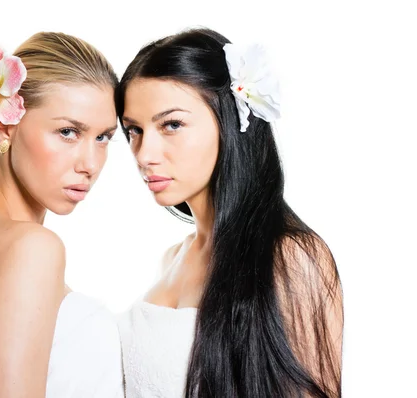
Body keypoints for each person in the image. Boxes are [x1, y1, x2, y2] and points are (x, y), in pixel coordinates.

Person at [116, 28, 344, 398]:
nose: (144, 154)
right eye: (134, 131)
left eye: (171, 125)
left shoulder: (291, 256)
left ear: (228, 121)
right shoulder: (172, 259)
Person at [0, 32, 123, 398]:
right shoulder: (31, 247)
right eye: (68, 132)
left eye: (103, 137)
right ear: (4, 123)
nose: (91, 164)